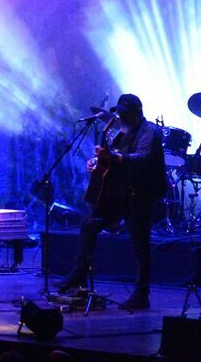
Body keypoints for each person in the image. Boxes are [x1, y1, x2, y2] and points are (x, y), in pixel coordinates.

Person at [59, 92, 167, 309]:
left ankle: (141, 295)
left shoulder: (150, 131)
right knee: (89, 225)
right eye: (121, 115)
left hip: (141, 194)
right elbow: (110, 157)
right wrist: (96, 162)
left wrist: (114, 158)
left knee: (140, 246)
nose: (122, 119)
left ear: (137, 114)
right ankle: (78, 276)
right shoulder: (120, 131)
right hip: (119, 194)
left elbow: (142, 158)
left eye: (126, 115)